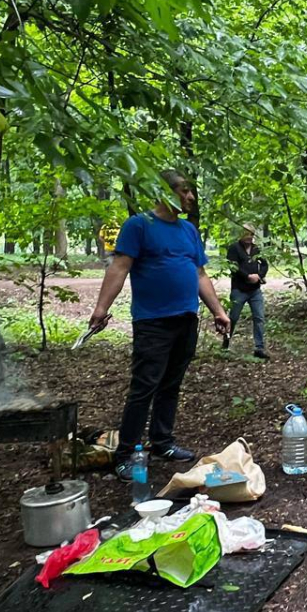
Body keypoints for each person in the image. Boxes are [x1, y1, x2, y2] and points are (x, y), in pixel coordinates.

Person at [88, 171, 231, 476]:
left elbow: (199, 275)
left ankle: (162, 441)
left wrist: (218, 310)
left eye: (191, 192)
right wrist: (101, 308)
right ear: (163, 192)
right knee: (144, 387)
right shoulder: (139, 225)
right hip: (152, 321)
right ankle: (125, 454)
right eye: (184, 191)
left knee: (171, 384)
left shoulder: (189, 231)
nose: (190, 197)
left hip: (185, 319)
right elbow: (119, 267)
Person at [223, 225, 269, 359]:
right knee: (233, 317)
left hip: (255, 290)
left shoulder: (256, 249)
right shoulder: (234, 248)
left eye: (251, 234)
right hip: (239, 289)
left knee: (259, 317)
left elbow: (264, 264)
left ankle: (259, 348)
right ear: (241, 235)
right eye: (246, 234)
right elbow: (233, 267)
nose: (249, 237)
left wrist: (259, 276)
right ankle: (226, 342)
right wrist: (247, 276)